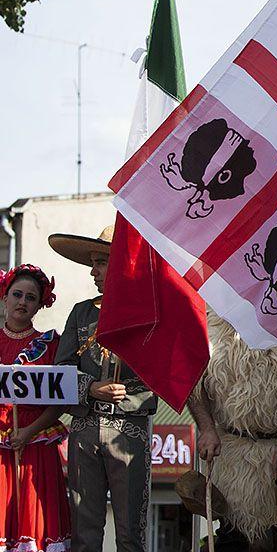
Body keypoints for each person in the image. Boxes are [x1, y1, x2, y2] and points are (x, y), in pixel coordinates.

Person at [185, 282, 277, 552]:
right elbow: (193, 379)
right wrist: (206, 428)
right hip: (234, 457)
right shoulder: (216, 315)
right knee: (237, 541)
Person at [48, 224, 159, 552]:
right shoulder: (81, 313)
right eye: (93, 263)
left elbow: (161, 370)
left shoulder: (149, 312)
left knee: (130, 532)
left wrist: (128, 392)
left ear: (123, 264)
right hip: (84, 427)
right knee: (85, 529)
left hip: (130, 428)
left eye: (101, 262)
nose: (93, 271)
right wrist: (91, 387)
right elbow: (61, 370)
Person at [0, 265, 71, 552]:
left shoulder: (51, 345)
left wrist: (29, 431)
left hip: (36, 442)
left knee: (33, 517)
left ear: (40, 304)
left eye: (31, 297)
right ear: (5, 297)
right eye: (17, 294)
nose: (22, 302)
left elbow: (62, 398)